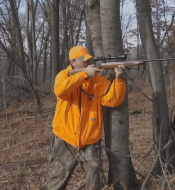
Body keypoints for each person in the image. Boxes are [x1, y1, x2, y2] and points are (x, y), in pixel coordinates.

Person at [47, 46, 126, 190]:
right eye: (83, 60)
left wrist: (119, 79)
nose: (87, 62)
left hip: (90, 140)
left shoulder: (98, 80)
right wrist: (84, 75)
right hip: (64, 138)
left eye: (88, 59)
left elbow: (113, 100)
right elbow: (60, 90)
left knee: (95, 183)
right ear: (73, 61)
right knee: (55, 184)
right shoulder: (63, 75)